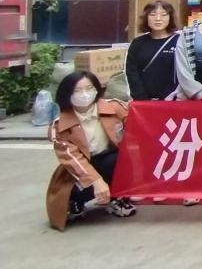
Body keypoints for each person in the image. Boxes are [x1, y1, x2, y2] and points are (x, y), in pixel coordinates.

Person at [46, 71, 136, 230]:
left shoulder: (114, 107)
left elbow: (138, 123)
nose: (84, 94)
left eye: (89, 88)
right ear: (67, 94)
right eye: (77, 90)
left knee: (119, 160)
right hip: (80, 168)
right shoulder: (59, 125)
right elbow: (73, 159)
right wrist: (97, 182)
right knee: (78, 185)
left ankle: (117, 197)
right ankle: (75, 201)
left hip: (109, 158)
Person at [125, 0, 179, 101]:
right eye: (153, 15)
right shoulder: (137, 43)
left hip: (174, 100)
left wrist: (174, 96)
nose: (158, 19)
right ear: (146, 18)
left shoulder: (180, 41)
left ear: (170, 18)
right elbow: (132, 72)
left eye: (164, 15)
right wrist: (141, 98)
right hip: (145, 100)